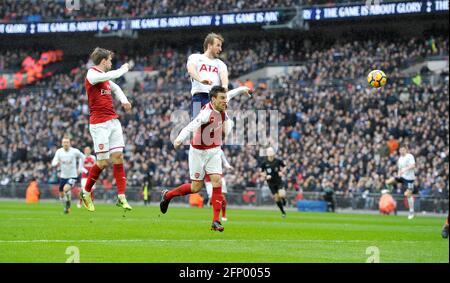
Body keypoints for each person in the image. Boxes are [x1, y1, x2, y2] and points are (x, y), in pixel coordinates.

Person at [160, 86, 232, 232]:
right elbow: (191, 126)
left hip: (214, 151)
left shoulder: (221, 106)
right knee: (195, 188)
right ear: (213, 99)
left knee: (217, 180)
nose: (226, 101)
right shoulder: (206, 113)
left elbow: (233, 93)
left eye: (225, 98)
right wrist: (179, 139)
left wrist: (244, 89)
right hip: (198, 152)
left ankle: (215, 221)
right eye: (222, 98)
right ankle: (168, 195)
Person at [80, 47, 133, 212]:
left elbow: (115, 87)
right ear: (104, 61)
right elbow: (111, 75)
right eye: (110, 60)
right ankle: (86, 192)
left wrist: (124, 100)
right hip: (99, 125)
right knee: (102, 162)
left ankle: (121, 197)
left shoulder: (104, 79)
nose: (111, 62)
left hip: (112, 121)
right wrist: (123, 69)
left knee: (118, 156)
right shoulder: (92, 74)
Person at [186, 32, 250, 117]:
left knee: (215, 127)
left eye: (221, 46)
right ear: (209, 45)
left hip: (215, 99)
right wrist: (200, 79)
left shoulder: (221, 64)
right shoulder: (195, 57)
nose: (220, 49)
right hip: (198, 98)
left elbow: (224, 78)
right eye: (218, 45)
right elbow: (191, 70)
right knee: (197, 126)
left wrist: (224, 88)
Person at [51, 136, 85, 214]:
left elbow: (83, 157)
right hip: (63, 176)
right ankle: (66, 207)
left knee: (65, 189)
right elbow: (54, 160)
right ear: (62, 143)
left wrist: (80, 168)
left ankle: (68, 201)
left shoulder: (74, 151)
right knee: (61, 194)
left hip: (72, 175)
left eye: (67, 142)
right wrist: (55, 163)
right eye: (64, 142)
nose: (65, 144)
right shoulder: (59, 151)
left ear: (70, 143)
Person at [385, 145, 416, 219]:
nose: (401, 151)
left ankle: (411, 212)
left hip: (409, 179)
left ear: (406, 150)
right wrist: (398, 174)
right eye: (400, 150)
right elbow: (400, 169)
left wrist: (405, 169)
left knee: (408, 194)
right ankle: (390, 189)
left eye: (403, 150)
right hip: (402, 177)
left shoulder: (410, 156)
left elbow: (413, 165)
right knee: (388, 182)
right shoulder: (400, 159)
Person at [205, 149, 233, 221]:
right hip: (209, 180)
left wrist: (228, 166)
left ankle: (223, 216)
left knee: (222, 197)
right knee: (212, 197)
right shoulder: (203, 151)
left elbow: (224, 161)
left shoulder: (219, 151)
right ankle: (215, 214)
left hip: (219, 177)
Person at [260, 147, 287, 218]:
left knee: (281, 194)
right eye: (270, 154)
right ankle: (283, 212)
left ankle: (284, 200)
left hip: (278, 181)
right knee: (276, 198)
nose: (271, 156)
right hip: (271, 183)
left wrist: (282, 172)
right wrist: (266, 176)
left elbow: (285, 166)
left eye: (272, 154)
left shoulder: (278, 161)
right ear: (268, 155)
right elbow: (261, 172)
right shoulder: (264, 163)